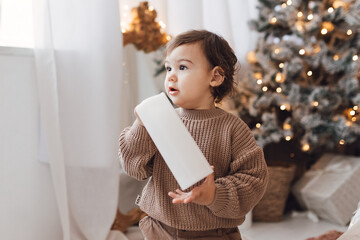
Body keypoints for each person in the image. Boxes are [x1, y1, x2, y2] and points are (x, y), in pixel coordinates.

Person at [118, 29, 269, 240]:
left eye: (182, 67)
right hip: (159, 229)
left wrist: (214, 194)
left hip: (213, 234)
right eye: (168, 67)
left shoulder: (233, 129)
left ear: (215, 76)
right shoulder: (160, 120)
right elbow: (134, 166)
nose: (171, 75)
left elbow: (253, 180)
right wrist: (141, 126)